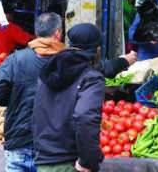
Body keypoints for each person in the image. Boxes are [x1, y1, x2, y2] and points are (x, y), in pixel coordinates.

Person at [0, 13, 136, 172]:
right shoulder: (64, 63)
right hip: (53, 149)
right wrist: (124, 60)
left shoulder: (17, 60)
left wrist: (16, 99)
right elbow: (100, 72)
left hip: (21, 141)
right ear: (58, 33)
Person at [33, 23, 105, 172]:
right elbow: (85, 117)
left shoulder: (48, 71)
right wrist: (88, 161)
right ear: (97, 49)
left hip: (44, 161)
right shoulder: (91, 78)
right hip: (69, 163)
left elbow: (36, 112)